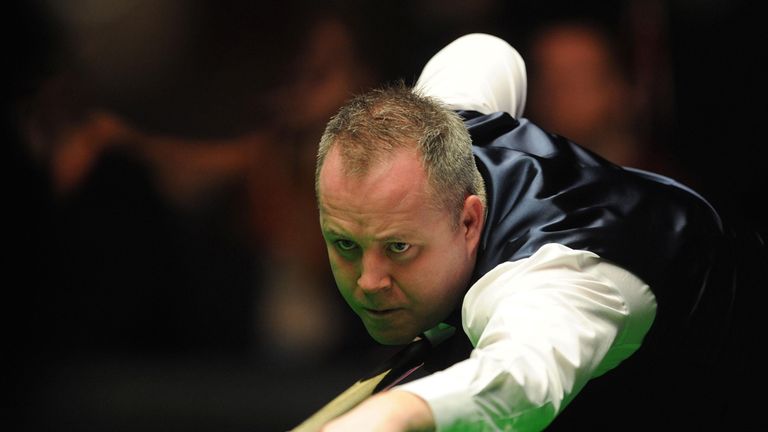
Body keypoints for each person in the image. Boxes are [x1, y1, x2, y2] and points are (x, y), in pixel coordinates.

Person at [312, 34, 755, 431]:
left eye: (399, 247)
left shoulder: (557, 282)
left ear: (469, 220)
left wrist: (392, 414)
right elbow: (485, 51)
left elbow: (518, 384)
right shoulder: (443, 128)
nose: (369, 281)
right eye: (345, 243)